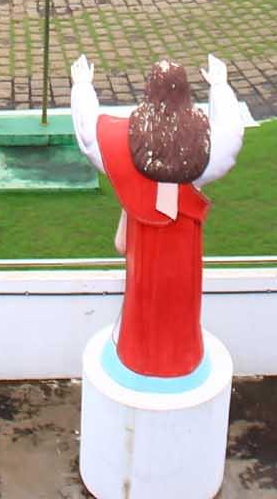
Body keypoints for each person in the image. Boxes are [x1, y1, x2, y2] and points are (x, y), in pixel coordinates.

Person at [69, 53, 246, 378]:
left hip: (144, 243)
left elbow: (89, 133)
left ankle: (139, 353)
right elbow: (231, 135)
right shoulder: (204, 146)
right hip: (183, 243)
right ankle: (180, 356)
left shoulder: (123, 142)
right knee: (180, 299)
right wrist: (220, 87)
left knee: (144, 295)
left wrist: (82, 86)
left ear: (148, 92)